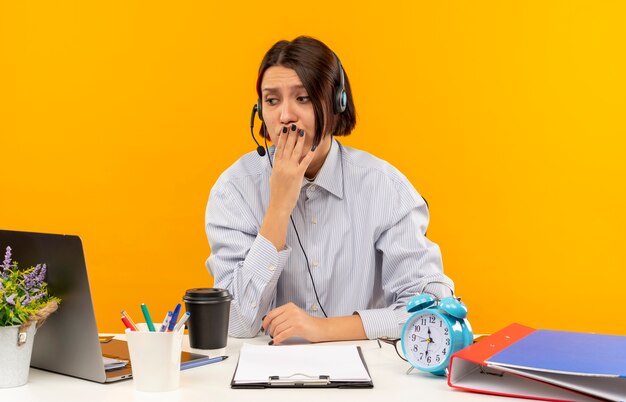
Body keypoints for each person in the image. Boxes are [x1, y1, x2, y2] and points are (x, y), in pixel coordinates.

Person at [205, 36, 454, 345]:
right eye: (272, 100)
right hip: (265, 375)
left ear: (338, 104)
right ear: (260, 111)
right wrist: (279, 207)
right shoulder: (233, 191)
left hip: (371, 375)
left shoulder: (385, 188)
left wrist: (324, 329)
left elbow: (432, 311)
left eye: (303, 98)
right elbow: (238, 322)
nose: (285, 116)